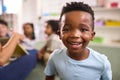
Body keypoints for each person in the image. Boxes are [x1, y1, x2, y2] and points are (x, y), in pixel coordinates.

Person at [44, 2, 112, 80]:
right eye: (66, 29)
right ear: (59, 34)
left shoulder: (102, 62)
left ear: (92, 35)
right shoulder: (54, 57)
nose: (75, 35)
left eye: (83, 29)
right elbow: (49, 77)